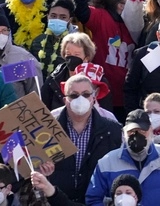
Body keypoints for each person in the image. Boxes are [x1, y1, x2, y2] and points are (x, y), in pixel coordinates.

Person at [86, 110, 160, 206]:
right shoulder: (107, 162)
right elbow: (93, 198)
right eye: (132, 132)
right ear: (124, 134)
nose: (136, 136)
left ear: (151, 131)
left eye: (142, 132)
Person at [51, 73, 123, 203]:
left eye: (85, 94)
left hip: (95, 201)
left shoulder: (113, 130)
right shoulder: (48, 129)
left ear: (93, 98)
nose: (80, 99)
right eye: (74, 95)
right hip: (55, 200)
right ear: (65, 100)